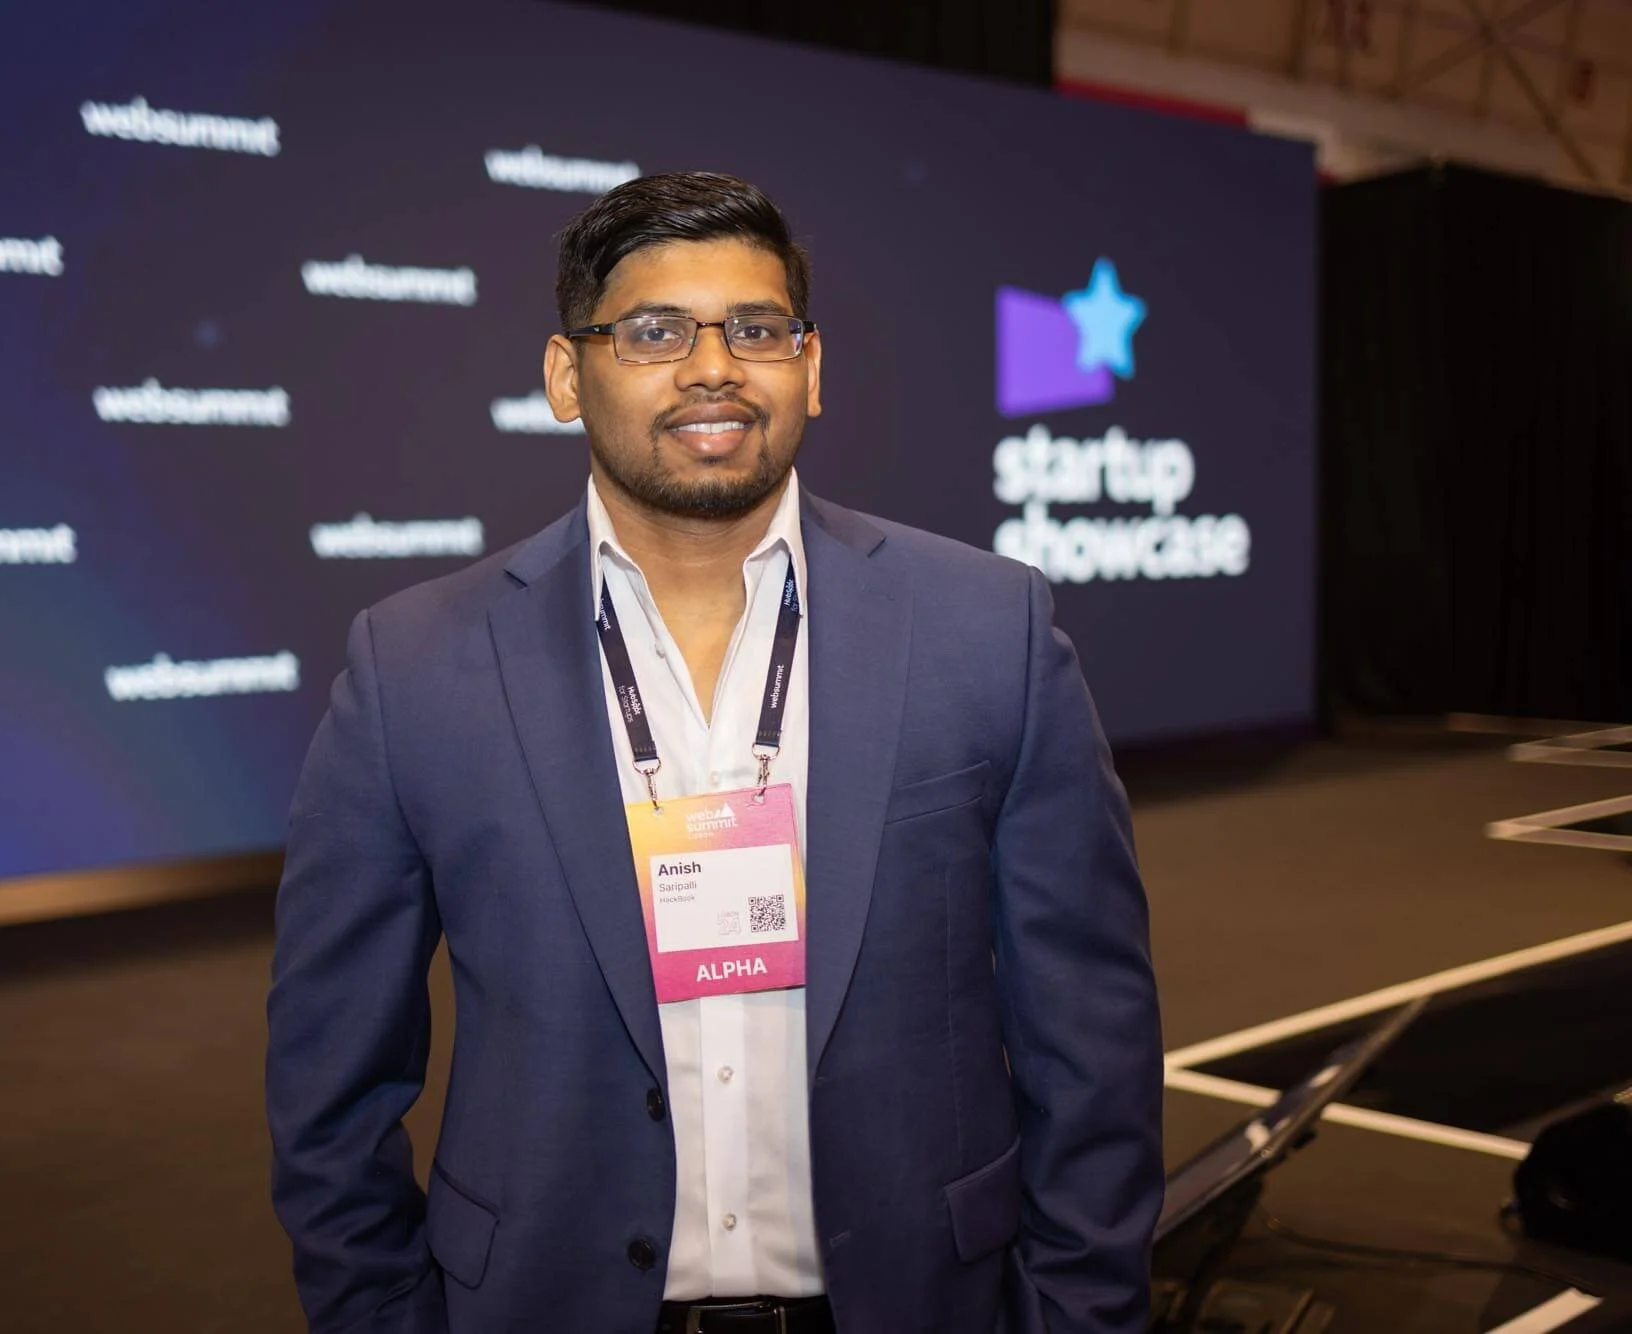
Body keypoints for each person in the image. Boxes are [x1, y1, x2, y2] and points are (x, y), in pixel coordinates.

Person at [266, 171, 1162, 1334]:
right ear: (562, 376)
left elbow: (1089, 1034)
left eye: (756, 328)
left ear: (812, 366)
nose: (712, 367)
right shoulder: (414, 665)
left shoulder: (986, 627)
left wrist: (1081, 1313)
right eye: (650, 331)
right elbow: (331, 1081)